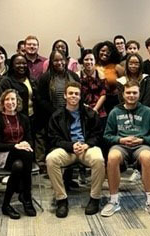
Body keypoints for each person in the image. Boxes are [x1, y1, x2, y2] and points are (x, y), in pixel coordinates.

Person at [102, 80, 150, 219]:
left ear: (139, 94)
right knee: (112, 157)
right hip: (121, 145)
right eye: (128, 92)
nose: (131, 95)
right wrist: (120, 140)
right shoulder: (115, 112)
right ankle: (114, 200)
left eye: (134, 92)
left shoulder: (147, 112)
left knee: (147, 157)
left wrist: (143, 140)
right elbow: (107, 136)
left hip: (141, 145)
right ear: (123, 94)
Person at [46, 82, 105, 217]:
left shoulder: (90, 113)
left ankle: (95, 198)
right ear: (65, 96)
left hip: (86, 148)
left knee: (98, 159)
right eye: (71, 93)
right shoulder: (57, 115)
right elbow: (53, 138)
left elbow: (97, 135)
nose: (74, 96)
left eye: (77, 94)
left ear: (80, 96)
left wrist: (87, 144)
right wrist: (70, 145)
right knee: (51, 159)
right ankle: (61, 200)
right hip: (67, 149)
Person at [0, 89, 36, 219]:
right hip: (2, 155)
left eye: (13, 99)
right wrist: (16, 146)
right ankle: (26, 197)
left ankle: (6, 205)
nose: (10, 102)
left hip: (20, 157)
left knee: (18, 166)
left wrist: (25, 145)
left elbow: (30, 140)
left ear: (18, 101)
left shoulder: (23, 118)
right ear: (2, 102)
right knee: (26, 155)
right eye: (7, 99)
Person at [79, 49, 107, 118]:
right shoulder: (77, 76)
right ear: (82, 61)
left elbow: (103, 94)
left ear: (95, 61)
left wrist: (95, 110)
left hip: (99, 111)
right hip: (83, 110)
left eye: (91, 59)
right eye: (86, 59)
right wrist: (86, 108)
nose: (89, 62)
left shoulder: (101, 75)